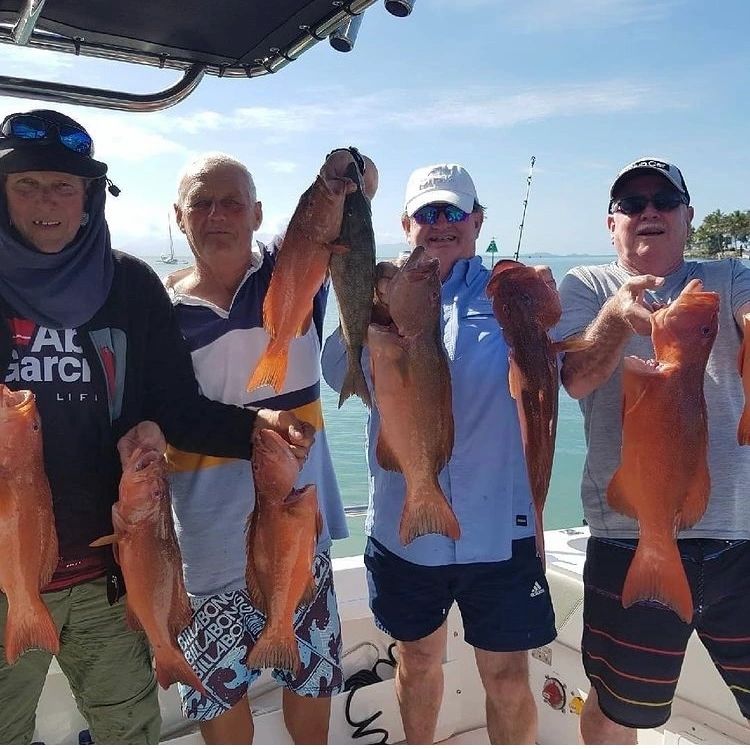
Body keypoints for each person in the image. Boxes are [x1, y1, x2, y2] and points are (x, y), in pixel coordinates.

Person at [0, 109, 312, 745]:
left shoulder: (132, 285)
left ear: (89, 194)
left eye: (64, 185)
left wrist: (258, 429)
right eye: (26, 185)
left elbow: (177, 409)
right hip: (4, 573)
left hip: (112, 574)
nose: (46, 202)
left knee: (129, 732)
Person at [321, 163, 557, 745]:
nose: (441, 224)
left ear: (477, 221)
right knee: (418, 662)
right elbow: (335, 372)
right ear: (406, 224)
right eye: (428, 213)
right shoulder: (374, 297)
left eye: (454, 212)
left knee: (505, 674)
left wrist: (547, 308)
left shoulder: (511, 293)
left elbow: (558, 374)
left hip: (500, 529)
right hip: (407, 528)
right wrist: (362, 306)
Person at [163, 149, 370, 744]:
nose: (217, 215)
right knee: (215, 689)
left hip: (299, 519)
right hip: (205, 540)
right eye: (202, 203)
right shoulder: (159, 310)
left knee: (310, 675)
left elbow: (353, 191)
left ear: (257, 214)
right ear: (180, 217)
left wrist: (348, 168)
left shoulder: (293, 271)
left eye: (232, 202)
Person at [556, 157, 750, 743]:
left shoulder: (730, 274)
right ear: (611, 223)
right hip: (628, 534)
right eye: (631, 203)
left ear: (688, 217)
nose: (649, 212)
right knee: (617, 709)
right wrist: (616, 319)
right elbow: (576, 377)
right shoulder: (586, 286)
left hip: (737, 536)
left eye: (664, 200)